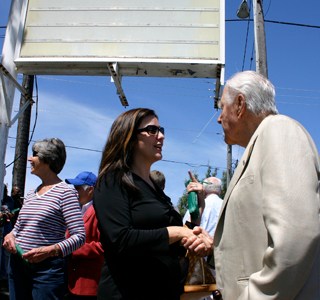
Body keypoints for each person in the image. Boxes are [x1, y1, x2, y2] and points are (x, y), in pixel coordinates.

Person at [183, 71, 320, 299]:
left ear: (239, 104)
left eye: (221, 107)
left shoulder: (279, 129)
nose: (219, 118)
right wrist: (215, 247)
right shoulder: (257, 147)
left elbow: (295, 239)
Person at [93, 108, 198, 300]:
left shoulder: (154, 188)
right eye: (152, 130)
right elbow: (120, 239)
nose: (161, 137)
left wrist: (195, 216)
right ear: (129, 137)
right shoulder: (112, 180)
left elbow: (171, 246)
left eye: (162, 130)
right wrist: (178, 232)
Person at [3, 138, 86, 300]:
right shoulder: (31, 193)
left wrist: (50, 251)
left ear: (48, 159)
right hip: (17, 266)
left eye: (35, 154)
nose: (29, 159)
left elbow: (79, 236)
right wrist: (10, 236)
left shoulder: (66, 193)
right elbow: (19, 227)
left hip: (45, 272)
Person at [65, 171, 104, 300]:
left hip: (88, 284)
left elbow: (103, 245)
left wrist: (72, 248)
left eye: (78, 188)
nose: (75, 192)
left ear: (90, 190)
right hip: (73, 281)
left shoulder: (99, 212)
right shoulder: (77, 209)